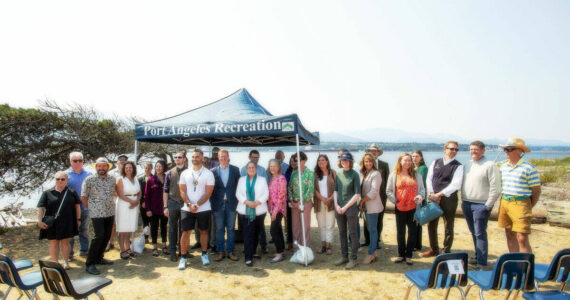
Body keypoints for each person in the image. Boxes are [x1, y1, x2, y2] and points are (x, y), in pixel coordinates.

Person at [461, 141, 501, 269]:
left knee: (480, 234)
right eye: (471, 149)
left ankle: (482, 263)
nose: (473, 151)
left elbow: (496, 188)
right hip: (466, 203)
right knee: (473, 232)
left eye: (476, 149)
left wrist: (488, 205)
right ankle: (478, 256)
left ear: (483, 150)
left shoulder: (490, 165)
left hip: (481, 205)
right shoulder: (468, 164)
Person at [498, 138, 541, 253]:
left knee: (522, 237)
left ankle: (526, 265)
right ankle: (514, 261)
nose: (506, 152)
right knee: (509, 234)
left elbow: (536, 191)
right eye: (505, 149)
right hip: (505, 201)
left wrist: (528, 206)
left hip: (521, 202)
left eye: (509, 149)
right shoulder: (503, 167)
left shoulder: (529, 168)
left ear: (520, 151)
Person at [422, 141, 464, 257]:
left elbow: (455, 184)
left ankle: (446, 250)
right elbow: (429, 179)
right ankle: (434, 249)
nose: (454, 151)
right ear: (445, 149)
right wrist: (431, 193)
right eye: (452, 149)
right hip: (433, 197)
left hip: (448, 199)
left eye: (456, 149)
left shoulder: (458, 166)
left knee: (448, 224)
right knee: (431, 224)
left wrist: (439, 195)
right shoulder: (436, 162)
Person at [178, 149, 215, 269]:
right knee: (186, 232)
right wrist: (189, 204)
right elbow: (182, 191)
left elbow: (208, 193)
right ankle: (183, 257)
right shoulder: (185, 173)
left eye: (197, 156)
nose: (195, 159)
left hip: (203, 208)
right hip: (187, 208)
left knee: (203, 231)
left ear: (202, 158)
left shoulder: (208, 173)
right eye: (193, 157)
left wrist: (197, 205)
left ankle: (204, 254)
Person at [386, 153, 425, 265]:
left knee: (412, 232)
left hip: (413, 208)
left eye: (409, 160)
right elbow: (388, 191)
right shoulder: (394, 174)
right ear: (400, 161)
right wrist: (395, 200)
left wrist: (420, 196)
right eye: (405, 160)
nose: (407, 162)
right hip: (400, 207)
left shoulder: (416, 175)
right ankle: (401, 254)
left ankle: (409, 256)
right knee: (400, 232)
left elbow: (422, 190)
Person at [37, 171, 81, 270]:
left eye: (62, 179)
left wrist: (78, 219)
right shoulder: (47, 193)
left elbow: (77, 207)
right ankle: (55, 263)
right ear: (55, 180)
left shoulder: (71, 192)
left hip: (67, 221)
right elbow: (41, 207)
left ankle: (66, 262)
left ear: (66, 180)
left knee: (66, 242)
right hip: (52, 222)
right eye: (58, 179)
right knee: (54, 243)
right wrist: (39, 221)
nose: (60, 181)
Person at [82, 157, 116, 275]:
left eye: (104, 166)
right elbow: (84, 197)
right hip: (96, 213)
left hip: (110, 212)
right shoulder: (89, 180)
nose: (101, 168)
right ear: (96, 167)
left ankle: (99, 258)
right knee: (98, 236)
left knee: (106, 236)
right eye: (99, 166)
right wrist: (91, 208)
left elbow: (115, 193)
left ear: (107, 167)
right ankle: (90, 263)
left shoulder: (112, 179)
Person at [236, 161, 269, 267]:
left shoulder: (262, 180)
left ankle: (253, 251)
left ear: (256, 169)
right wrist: (247, 202)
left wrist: (257, 202)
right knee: (247, 234)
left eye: (253, 167)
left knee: (256, 233)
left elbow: (266, 193)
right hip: (244, 210)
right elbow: (238, 193)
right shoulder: (241, 180)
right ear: (246, 169)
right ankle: (248, 257)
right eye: (249, 167)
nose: (251, 169)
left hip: (259, 211)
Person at [210, 149, 240, 262]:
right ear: (218, 158)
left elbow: (239, 186)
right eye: (221, 157)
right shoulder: (213, 171)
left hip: (231, 204)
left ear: (228, 157)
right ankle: (221, 252)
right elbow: (210, 189)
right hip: (218, 205)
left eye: (224, 156)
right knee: (219, 229)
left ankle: (231, 252)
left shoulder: (235, 170)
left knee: (231, 229)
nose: (223, 158)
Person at [334, 151, 361, 269]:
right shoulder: (338, 174)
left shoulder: (355, 175)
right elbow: (335, 191)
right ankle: (344, 256)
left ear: (350, 162)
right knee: (342, 233)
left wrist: (345, 207)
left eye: (346, 160)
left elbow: (357, 194)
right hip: (339, 208)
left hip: (350, 209)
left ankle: (353, 259)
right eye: (342, 160)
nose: (344, 162)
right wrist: (336, 205)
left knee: (353, 233)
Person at [239, 149, 268, 253]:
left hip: (259, 204)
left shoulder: (263, 170)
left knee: (260, 226)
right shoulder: (243, 169)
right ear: (249, 157)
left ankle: (263, 245)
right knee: (248, 227)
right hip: (247, 203)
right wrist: (247, 201)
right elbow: (242, 186)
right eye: (253, 157)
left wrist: (258, 201)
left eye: (257, 157)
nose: (255, 159)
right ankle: (249, 247)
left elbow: (265, 187)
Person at [359, 153, 384, 264]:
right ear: (363, 163)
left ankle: (370, 254)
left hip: (372, 206)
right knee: (370, 229)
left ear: (373, 162)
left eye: (370, 161)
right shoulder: (364, 174)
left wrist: (362, 201)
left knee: (373, 230)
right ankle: (374, 253)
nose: (368, 163)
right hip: (366, 207)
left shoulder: (376, 174)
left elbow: (374, 192)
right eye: (366, 161)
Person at [287, 151, 315, 252]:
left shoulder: (309, 173)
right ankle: (296, 249)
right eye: (295, 160)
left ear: (304, 160)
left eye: (299, 160)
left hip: (305, 203)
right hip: (294, 204)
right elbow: (289, 187)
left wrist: (301, 202)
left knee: (305, 227)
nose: (296, 162)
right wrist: (292, 200)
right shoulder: (294, 173)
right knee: (295, 228)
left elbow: (310, 190)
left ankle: (305, 250)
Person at [363, 143, 389, 249]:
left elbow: (387, 182)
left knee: (379, 220)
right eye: (371, 151)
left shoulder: (384, 165)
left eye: (375, 151)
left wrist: (385, 197)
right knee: (366, 220)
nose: (373, 152)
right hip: (367, 198)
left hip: (381, 197)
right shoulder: (364, 165)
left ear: (378, 153)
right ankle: (367, 240)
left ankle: (377, 240)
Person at [66, 152, 91, 260]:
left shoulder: (89, 174)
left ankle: (84, 250)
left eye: (80, 160)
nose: (78, 163)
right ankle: (69, 253)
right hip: (70, 209)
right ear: (70, 162)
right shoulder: (65, 175)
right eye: (75, 161)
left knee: (84, 230)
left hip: (85, 207)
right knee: (70, 232)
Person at [164, 151, 188, 262]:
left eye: (179, 157)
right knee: (172, 228)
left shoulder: (189, 172)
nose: (177, 159)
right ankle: (172, 252)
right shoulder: (169, 173)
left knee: (184, 229)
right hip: (172, 202)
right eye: (176, 157)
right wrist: (165, 206)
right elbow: (165, 191)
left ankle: (183, 251)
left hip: (185, 203)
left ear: (184, 159)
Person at [115, 161, 141, 259]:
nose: (128, 169)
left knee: (129, 227)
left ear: (133, 169)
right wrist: (132, 202)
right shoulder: (120, 179)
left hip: (134, 205)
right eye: (126, 168)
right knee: (122, 229)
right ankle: (122, 250)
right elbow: (120, 194)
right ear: (123, 169)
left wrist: (136, 201)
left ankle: (128, 248)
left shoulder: (135, 179)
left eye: (130, 167)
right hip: (124, 204)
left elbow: (139, 192)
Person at [145, 160, 169, 257]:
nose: (158, 168)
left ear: (163, 168)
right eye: (157, 166)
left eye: (160, 166)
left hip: (164, 209)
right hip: (153, 209)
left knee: (164, 227)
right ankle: (155, 247)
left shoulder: (167, 178)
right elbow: (146, 196)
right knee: (154, 228)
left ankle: (164, 246)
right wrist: (148, 209)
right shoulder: (150, 180)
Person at [313, 154, 336, 255]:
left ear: (327, 162)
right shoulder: (315, 174)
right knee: (321, 225)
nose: (321, 162)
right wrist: (323, 199)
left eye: (323, 160)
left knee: (330, 225)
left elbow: (337, 188)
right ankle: (323, 246)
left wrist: (330, 199)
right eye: (319, 161)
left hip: (331, 203)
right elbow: (313, 190)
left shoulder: (333, 173)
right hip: (319, 202)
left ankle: (328, 246)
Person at [106, 154, 128, 251]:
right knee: (113, 224)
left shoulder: (129, 173)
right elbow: (110, 188)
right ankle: (110, 242)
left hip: (126, 202)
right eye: (121, 161)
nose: (122, 163)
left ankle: (125, 242)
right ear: (117, 162)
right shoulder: (111, 174)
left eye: (124, 161)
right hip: (113, 202)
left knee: (124, 223)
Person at [267, 159, 287, 263]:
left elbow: (281, 196)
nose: (272, 168)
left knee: (273, 230)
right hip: (272, 209)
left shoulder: (281, 178)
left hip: (279, 209)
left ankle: (279, 254)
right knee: (278, 229)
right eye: (271, 166)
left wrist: (274, 212)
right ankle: (281, 250)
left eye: (274, 166)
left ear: (279, 167)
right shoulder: (272, 178)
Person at [411, 150, 428, 251]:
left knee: (417, 222)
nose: (414, 158)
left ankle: (417, 244)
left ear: (421, 157)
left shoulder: (423, 168)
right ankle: (415, 243)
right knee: (414, 222)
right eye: (413, 156)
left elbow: (419, 183)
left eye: (417, 156)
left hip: (419, 198)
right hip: (413, 198)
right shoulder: (413, 168)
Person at [284, 155, 298, 250]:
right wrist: (288, 198)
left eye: (295, 161)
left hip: (298, 200)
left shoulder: (301, 172)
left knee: (297, 222)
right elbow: (285, 185)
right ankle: (289, 242)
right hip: (288, 200)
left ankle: (297, 241)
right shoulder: (288, 172)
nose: (293, 163)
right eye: (291, 161)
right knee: (289, 222)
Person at [138, 162, 153, 243]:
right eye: (145, 168)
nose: (147, 169)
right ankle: (145, 237)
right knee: (145, 222)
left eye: (148, 168)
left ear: (151, 168)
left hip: (152, 204)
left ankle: (154, 238)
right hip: (143, 204)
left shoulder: (155, 178)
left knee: (153, 222)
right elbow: (139, 192)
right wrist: (142, 201)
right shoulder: (140, 179)